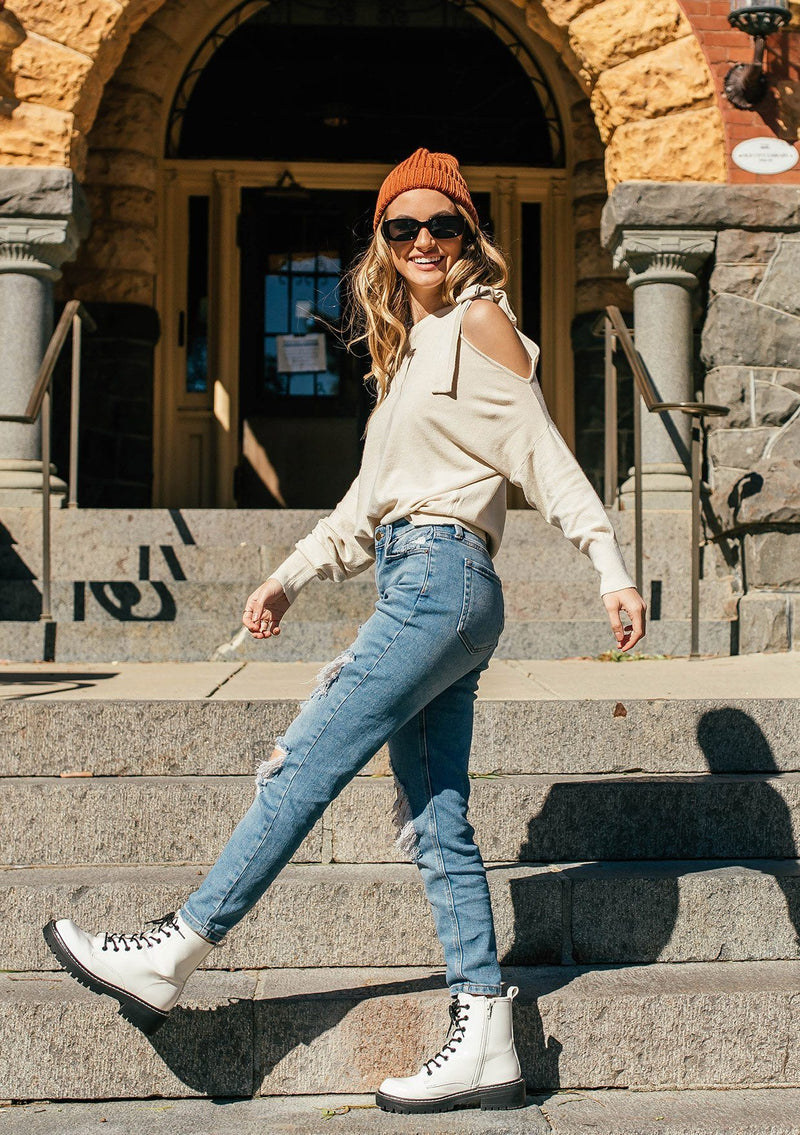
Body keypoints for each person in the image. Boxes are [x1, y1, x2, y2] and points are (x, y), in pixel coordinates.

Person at [43, 148, 646, 1115]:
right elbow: (366, 505)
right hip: (426, 579)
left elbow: (543, 451)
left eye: (440, 225)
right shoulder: (412, 359)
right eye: (400, 227)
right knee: (438, 816)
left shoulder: (480, 322)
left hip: (441, 580)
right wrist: (286, 577)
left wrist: (608, 563)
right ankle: (485, 1030)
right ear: (381, 240)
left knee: (309, 756)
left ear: (468, 235)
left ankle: (177, 947)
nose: (420, 242)